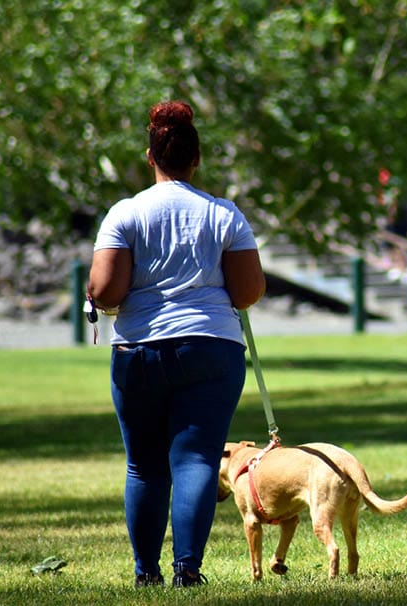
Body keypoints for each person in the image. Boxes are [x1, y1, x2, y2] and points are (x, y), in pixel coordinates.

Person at [88, 100, 266, 588]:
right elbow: (248, 292)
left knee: (144, 465)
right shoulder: (225, 215)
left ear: (151, 157)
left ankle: (147, 573)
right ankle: (188, 569)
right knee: (198, 458)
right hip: (211, 346)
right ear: (197, 159)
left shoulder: (125, 213)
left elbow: (106, 294)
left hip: (139, 350)